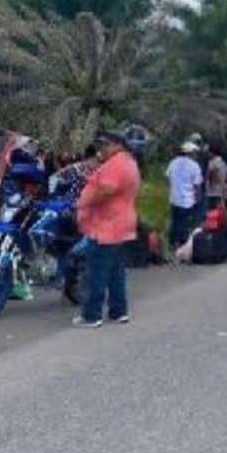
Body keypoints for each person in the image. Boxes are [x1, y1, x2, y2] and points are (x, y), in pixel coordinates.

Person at [75, 132, 141, 328]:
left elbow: (106, 189)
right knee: (116, 272)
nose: (101, 149)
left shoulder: (116, 165)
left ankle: (92, 315)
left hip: (106, 226)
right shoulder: (129, 162)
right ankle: (119, 311)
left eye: (105, 145)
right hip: (121, 224)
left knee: (96, 272)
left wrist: (88, 203)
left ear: (117, 145)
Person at [166, 142, 204, 249]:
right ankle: (183, 244)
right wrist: (198, 198)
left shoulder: (173, 163)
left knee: (175, 221)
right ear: (191, 153)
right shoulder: (194, 166)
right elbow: (197, 185)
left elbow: (168, 179)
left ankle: (173, 243)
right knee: (186, 223)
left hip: (174, 198)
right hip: (188, 199)